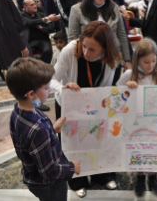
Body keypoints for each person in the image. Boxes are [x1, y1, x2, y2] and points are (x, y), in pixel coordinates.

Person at [50, 21, 119, 198]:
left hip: (94, 105)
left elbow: (107, 86)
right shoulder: (70, 50)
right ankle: (76, 180)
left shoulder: (112, 58)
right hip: (69, 104)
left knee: (98, 138)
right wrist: (62, 89)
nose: (86, 53)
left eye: (93, 49)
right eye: (84, 46)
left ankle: (102, 175)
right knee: (73, 143)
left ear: (105, 49)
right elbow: (52, 79)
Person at [6, 57, 80, 201]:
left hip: (33, 177)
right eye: (46, 88)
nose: (50, 90)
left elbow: (29, 142)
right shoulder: (38, 130)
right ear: (31, 94)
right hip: (51, 185)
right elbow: (49, 171)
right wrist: (72, 167)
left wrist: (52, 129)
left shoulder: (17, 111)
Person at [116, 38, 157, 197]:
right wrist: (126, 87)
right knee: (137, 150)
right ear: (137, 59)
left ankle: (153, 177)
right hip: (134, 122)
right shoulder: (129, 74)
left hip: (154, 122)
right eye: (146, 62)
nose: (151, 65)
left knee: (153, 149)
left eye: (154, 61)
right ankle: (139, 177)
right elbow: (116, 94)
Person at [69, 0, 131, 84]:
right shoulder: (77, 9)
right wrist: (75, 61)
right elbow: (72, 38)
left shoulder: (114, 7)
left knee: (112, 92)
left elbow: (122, 35)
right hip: (88, 59)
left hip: (112, 58)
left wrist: (127, 60)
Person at [0, 0, 30, 72]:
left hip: (9, 39)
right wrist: (20, 46)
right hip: (13, 42)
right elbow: (8, 23)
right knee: (24, 72)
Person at [22, 0, 59, 65]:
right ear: (25, 7)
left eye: (35, 4)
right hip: (30, 40)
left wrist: (42, 28)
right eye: (32, 5)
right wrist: (46, 19)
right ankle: (32, 70)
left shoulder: (41, 14)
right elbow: (30, 23)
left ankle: (43, 68)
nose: (35, 6)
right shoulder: (22, 16)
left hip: (43, 39)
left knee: (47, 51)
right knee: (27, 54)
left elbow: (51, 28)